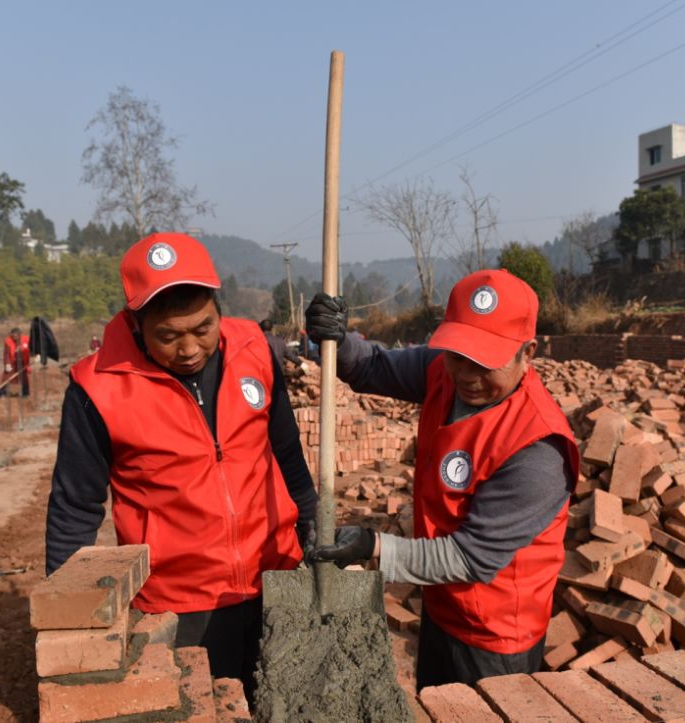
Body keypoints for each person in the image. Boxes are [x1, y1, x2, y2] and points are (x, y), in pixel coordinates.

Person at [45, 232, 318, 701]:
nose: (189, 349)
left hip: (273, 582)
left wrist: (313, 525)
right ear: (136, 325)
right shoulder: (97, 390)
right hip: (176, 605)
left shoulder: (254, 349)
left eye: (203, 328)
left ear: (218, 306)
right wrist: (68, 617)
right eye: (167, 336)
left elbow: (287, 451)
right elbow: (75, 506)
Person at [305, 269, 579, 690]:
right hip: (441, 607)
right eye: (457, 356)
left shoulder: (539, 448)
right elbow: (371, 367)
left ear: (529, 352)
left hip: (496, 636)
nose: (466, 375)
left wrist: (374, 547)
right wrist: (337, 340)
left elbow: (470, 559)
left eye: (485, 362)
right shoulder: (441, 371)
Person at [0, 327, 31, 397]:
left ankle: (25, 393)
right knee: (6, 377)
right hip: (12, 362)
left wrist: (37, 355)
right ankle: (2, 393)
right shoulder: (8, 341)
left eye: (16, 336)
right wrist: (7, 363)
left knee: (24, 378)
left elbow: (33, 348)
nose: (14, 337)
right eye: (13, 336)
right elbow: (6, 353)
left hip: (23, 362)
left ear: (20, 335)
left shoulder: (26, 340)